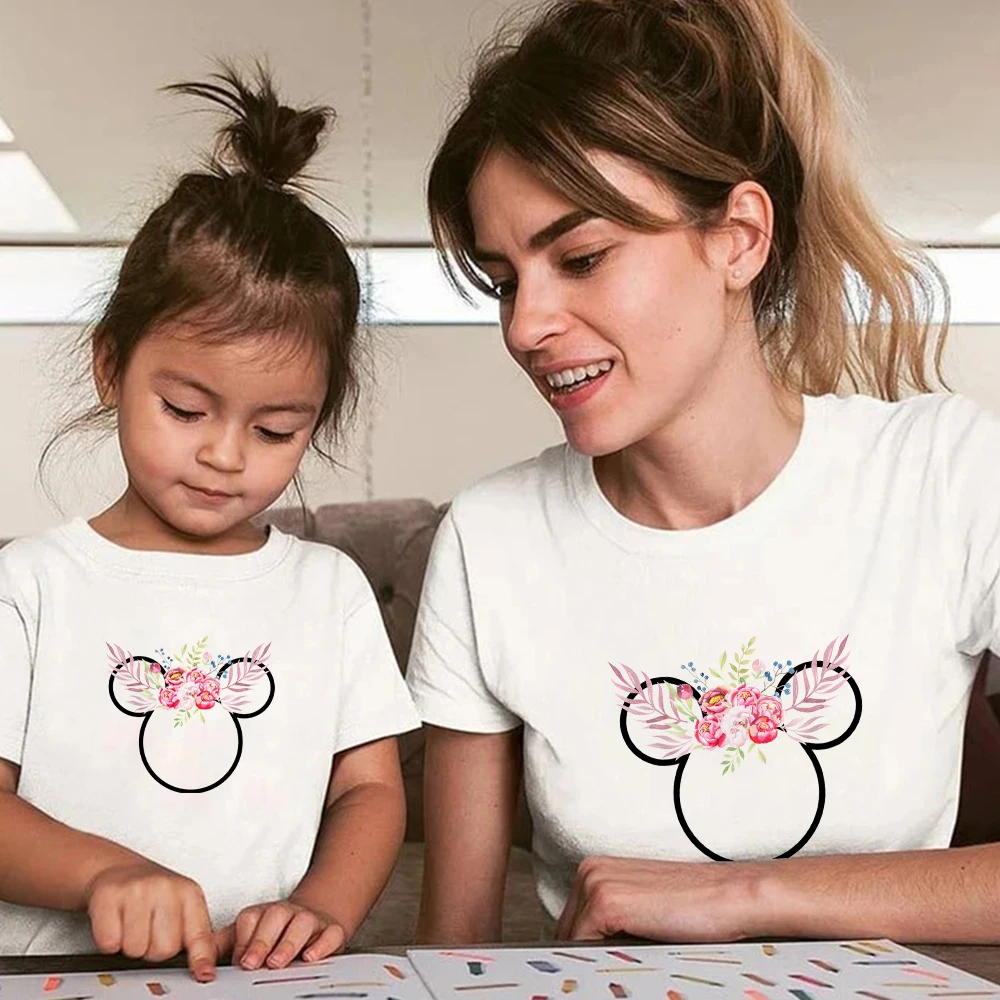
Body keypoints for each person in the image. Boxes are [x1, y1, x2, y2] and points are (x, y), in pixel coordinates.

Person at [407, 0, 1000, 945]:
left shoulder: (948, 475)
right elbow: (458, 956)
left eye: (582, 257)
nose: (525, 327)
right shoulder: (492, 539)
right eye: (505, 281)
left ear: (739, 238)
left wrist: (744, 895)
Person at [0, 66, 419, 975]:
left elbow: (369, 790)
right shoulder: (30, 584)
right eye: (186, 409)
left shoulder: (328, 590)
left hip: (257, 980)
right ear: (111, 366)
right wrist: (102, 872)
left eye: (275, 430)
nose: (226, 455)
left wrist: (322, 907)